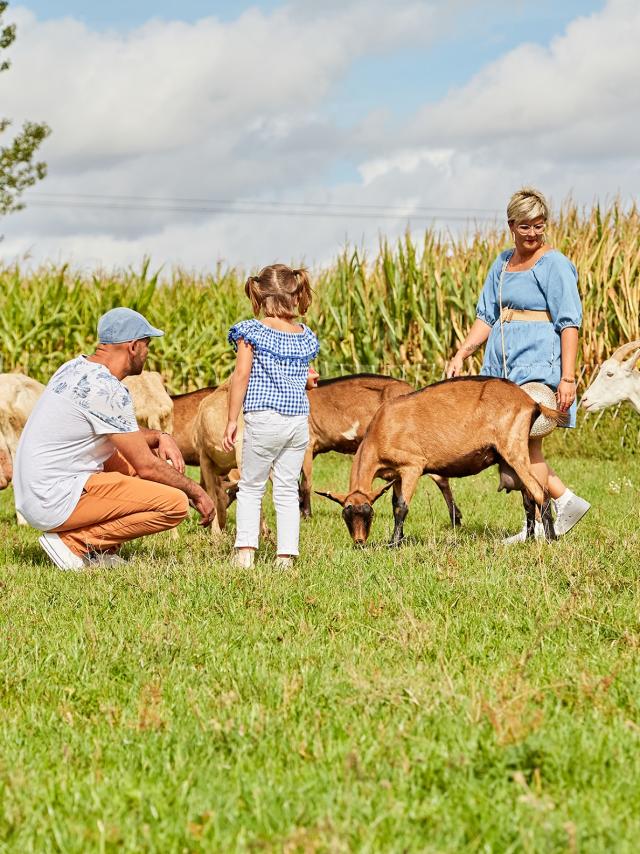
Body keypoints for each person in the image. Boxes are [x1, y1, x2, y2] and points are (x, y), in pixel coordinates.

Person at [14, 307, 215, 570]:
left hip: (37, 493)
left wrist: (158, 436)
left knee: (128, 461)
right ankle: (75, 543)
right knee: (174, 503)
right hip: (54, 499)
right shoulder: (106, 389)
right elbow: (147, 466)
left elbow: (114, 428)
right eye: (147, 344)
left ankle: (99, 549)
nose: (148, 352)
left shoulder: (75, 368)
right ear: (132, 346)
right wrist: (196, 490)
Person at [447, 187, 590, 541]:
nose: (533, 233)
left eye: (539, 226)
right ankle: (547, 517)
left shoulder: (554, 264)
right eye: (526, 226)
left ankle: (556, 507)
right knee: (522, 445)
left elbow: (568, 322)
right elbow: (486, 317)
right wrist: (462, 352)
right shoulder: (501, 263)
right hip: (503, 366)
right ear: (511, 225)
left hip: (538, 364)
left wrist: (567, 378)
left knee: (525, 440)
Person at [222, 264, 319, 569]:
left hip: (264, 418)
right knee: (287, 489)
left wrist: (231, 420)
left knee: (251, 486)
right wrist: (305, 381)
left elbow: (241, 375)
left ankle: (246, 555)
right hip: (297, 423)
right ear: (295, 294)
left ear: (260, 293)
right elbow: (303, 377)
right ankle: (286, 557)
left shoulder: (252, 331)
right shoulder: (304, 336)